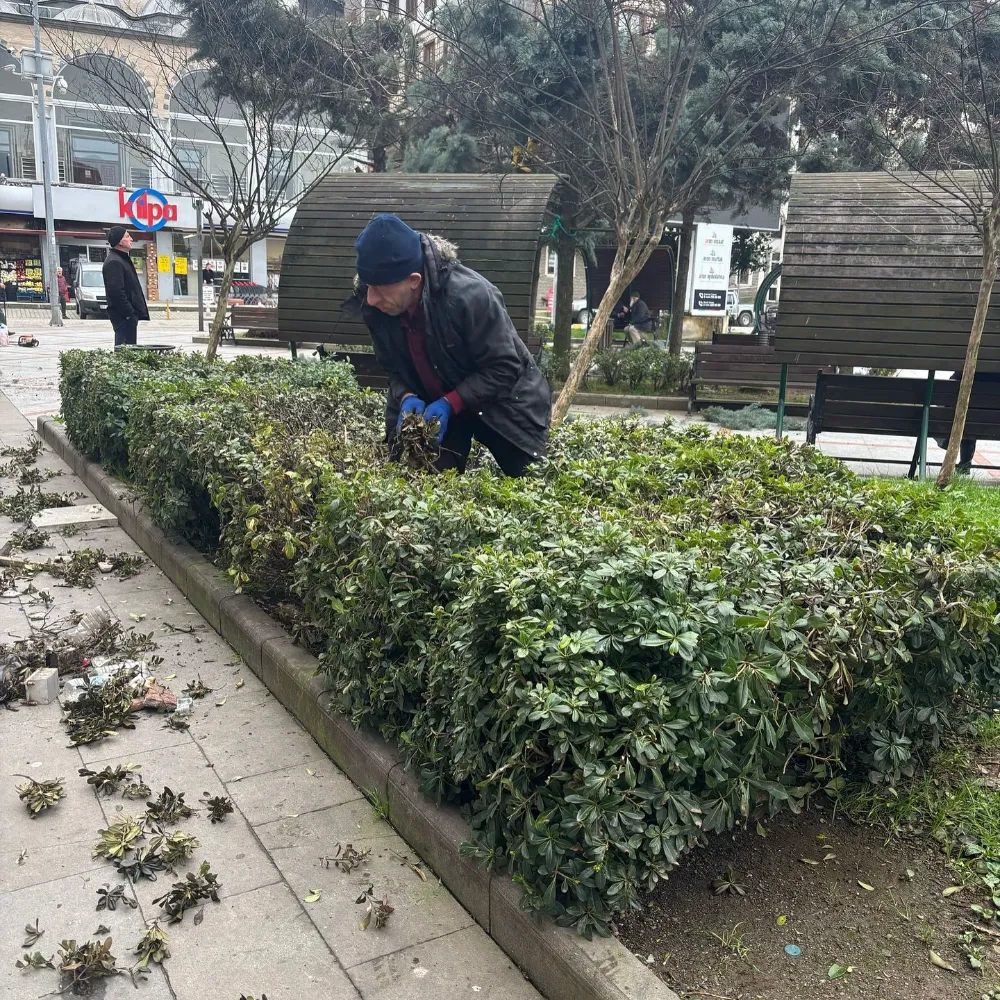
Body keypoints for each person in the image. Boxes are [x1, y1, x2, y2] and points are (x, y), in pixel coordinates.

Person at [346, 213, 551, 476]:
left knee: (531, 487)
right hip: (434, 406)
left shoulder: (472, 296)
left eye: (379, 288)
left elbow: (505, 367)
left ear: (413, 281)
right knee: (415, 489)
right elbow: (393, 367)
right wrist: (407, 395)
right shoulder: (376, 303)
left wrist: (450, 402)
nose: (371, 299)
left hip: (504, 401)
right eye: (367, 286)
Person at [102, 226, 149, 348]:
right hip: (123, 316)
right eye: (127, 236)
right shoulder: (114, 262)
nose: (131, 239)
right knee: (124, 352)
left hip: (128, 316)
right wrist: (129, 313)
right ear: (120, 242)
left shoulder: (122, 259)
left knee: (130, 350)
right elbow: (116, 292)